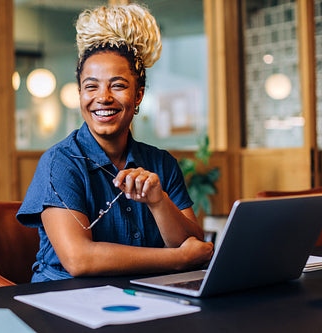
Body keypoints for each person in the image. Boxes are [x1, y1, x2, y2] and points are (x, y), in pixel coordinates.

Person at [17, 4, 213, 282]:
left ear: (138, 95)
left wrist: (159, 202)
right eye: (91, 86)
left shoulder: (162, 163)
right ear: (80, 94)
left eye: (118, 85)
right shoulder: (60, 162)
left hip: (143, 298)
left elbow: (196, 247)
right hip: (66, 302)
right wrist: (177, 260)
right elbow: (79, 260)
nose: (103, 97)